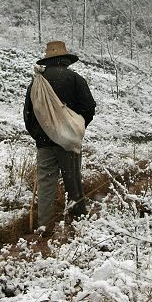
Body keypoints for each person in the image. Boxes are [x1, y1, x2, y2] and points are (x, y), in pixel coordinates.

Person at [23, 41, 96, 231]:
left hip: (44, 143)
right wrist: (76, 128)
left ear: (48, 59)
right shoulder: (75, 79)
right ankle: (78, 224)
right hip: (69, 142)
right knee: (73, 182)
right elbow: (89, 108)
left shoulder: (37, 82)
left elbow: (28, 114)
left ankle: (44, 227)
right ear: (65, 60)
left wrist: (40, 135)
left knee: (46, 184)